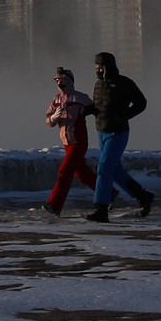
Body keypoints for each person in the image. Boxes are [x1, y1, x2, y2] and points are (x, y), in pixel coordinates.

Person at [86, 51, 154, 222]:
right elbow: (99, 105)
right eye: (96, 68)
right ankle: (142, 196)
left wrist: (125, 115)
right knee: (114, 170)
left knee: (103, 167)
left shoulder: (124, 83)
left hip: (118, 132)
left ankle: (101, 209)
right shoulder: (98, 85)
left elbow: (141, 103)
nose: (98, 71)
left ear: (108, 67)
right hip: (102, 131)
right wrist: (88, 110)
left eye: (100, 67)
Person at [42, 67, 95, 217]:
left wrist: (87, 112)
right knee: (82, 174)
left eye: (63, 80)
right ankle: (109, 193)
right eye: (58, 80)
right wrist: (53, 118)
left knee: (64, 171)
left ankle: (55, 205)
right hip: (67, 143)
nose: (60, 83)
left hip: (79, 141)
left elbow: (95, 109)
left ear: (70, 81)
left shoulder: (80, 98)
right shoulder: (56, 100)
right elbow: (48, 120)